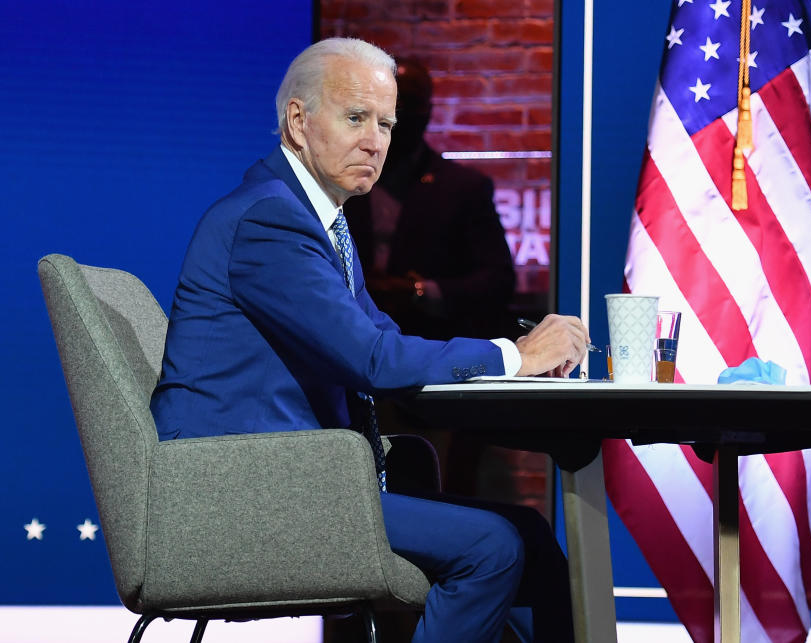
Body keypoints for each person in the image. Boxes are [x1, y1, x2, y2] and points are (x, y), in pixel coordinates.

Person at [150, 38, 586, 643]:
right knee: (493, 548)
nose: (376, 141)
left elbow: (382, 335)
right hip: (245, 495)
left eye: (385, 123)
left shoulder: (318, 217)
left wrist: (512, 360)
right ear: (298, 121)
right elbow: (374, 360)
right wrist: (517, 353)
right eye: (356, 118)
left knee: (532, 539)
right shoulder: (269, 221)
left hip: (302, 481)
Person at [344, 57, 516, 341]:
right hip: (350, 341)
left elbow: (497, 281)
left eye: (408, 104)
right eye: (391, 105)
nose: (399, 115)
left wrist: (420, 291)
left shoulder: (464, 187)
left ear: (427, 111)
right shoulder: (343, 179)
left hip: (433, 342)